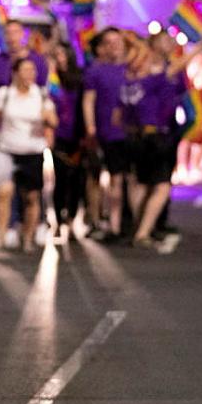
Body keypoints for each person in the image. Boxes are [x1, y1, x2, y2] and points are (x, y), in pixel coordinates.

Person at [122, 33, 202, 248]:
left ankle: (139, 226)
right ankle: (142, 232)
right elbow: (176, 66)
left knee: (141, 183)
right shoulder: (154, 73)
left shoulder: (132, 78)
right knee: (161, 187)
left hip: (142, 134)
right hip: (156, 135)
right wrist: (200, 47)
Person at [0, 59, 57, 253]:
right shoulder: (4, 94)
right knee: (4, 192)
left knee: (31, 196)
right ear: (16, 73)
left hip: (33, 150)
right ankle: (2, 235)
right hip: (7, 149)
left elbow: (53, 122)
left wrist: (48, 118)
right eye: (26, 70)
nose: (30, 74)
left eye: (33, 70)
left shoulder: (42, 95)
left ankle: (28, 237)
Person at [82, 27, 130, 242]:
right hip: (104, 132)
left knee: (122, 180)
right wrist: (91, 127)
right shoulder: (96, 70)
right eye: (109, 42)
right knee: (100, 178)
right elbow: (88, 100)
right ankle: (99, 220)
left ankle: (118, 223)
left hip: (129, 133)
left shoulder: (132, 68)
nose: (114, 46)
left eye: (117, 41)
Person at [47, 42, 86, 241]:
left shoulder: (79, 78)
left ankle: (71, 220)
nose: (60, 57)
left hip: (77, 135)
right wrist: (51, 71)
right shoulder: (52, 80)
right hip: (58, 134)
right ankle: (58, 222)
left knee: (77, 179)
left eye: (63, 53)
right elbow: (49, 98)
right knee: (60, 180)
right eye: (56, 54)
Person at [0, 19, 48, 90]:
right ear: (4, 36)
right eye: (8, 33)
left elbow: (43, 87)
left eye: (15, 32)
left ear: (22, 34)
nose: (12, 37)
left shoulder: (38, 60)